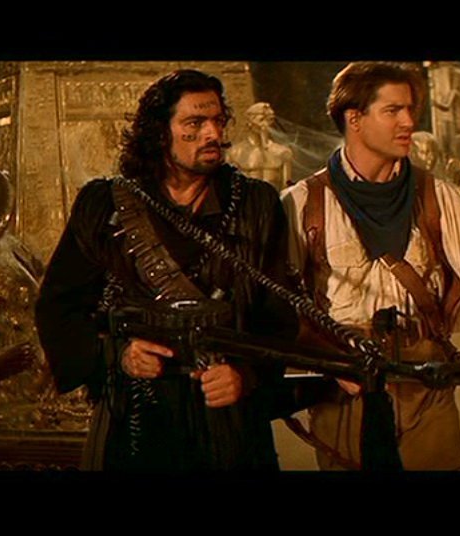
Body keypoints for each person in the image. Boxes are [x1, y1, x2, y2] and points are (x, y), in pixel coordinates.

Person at [35, 69, 294, 471]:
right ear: (160, 133)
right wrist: (117, 356)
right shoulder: (105, 204)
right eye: (195, 123)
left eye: (218, 120)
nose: (213, 134)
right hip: (136, 412)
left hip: (227, 417)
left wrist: (246, 375)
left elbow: (279, 316)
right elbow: (58, 307)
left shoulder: (256, 204)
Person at [280, 61, 460, 470]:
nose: (409, 121)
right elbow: (281, 304)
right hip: (347, 387)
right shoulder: (304, 203)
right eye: (392, 110)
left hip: (425, 381)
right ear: (354, 119)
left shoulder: (436, 196)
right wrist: (326, 357)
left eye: (410, 109)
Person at [226, 102, 295, 192]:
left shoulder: (283, 153)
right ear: (250, 122)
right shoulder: (234, 153)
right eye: (261, 120)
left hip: (273, 199)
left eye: (269, 120)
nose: (265, 125)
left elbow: (286, 189)